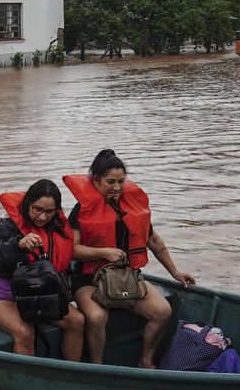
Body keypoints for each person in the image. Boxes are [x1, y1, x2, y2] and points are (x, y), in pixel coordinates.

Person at [63, 149, 195, 368]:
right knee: (96, 318)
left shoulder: (134, 207)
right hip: (89, 281)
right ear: (96, 181)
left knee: (162, 312)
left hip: (127, 276)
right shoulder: (81, 210)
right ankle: (97, 367)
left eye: (121, 181)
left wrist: (175, 272)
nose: (116, 188)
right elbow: (72, 250)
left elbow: (154, 242)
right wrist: (104, 252)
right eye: (110, 182)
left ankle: (146, 360)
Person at [0, 180, 86, 360]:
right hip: (4, 297)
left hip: (42, 295)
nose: (43, 217)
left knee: (77, 322)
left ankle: (70, 374)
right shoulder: (9, 225)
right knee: (25, 332)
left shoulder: (58, 227)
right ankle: (26, 384)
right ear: (28, 204)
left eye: (49, 212)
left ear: (57, 211)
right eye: (37, 209)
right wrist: (17, 245)